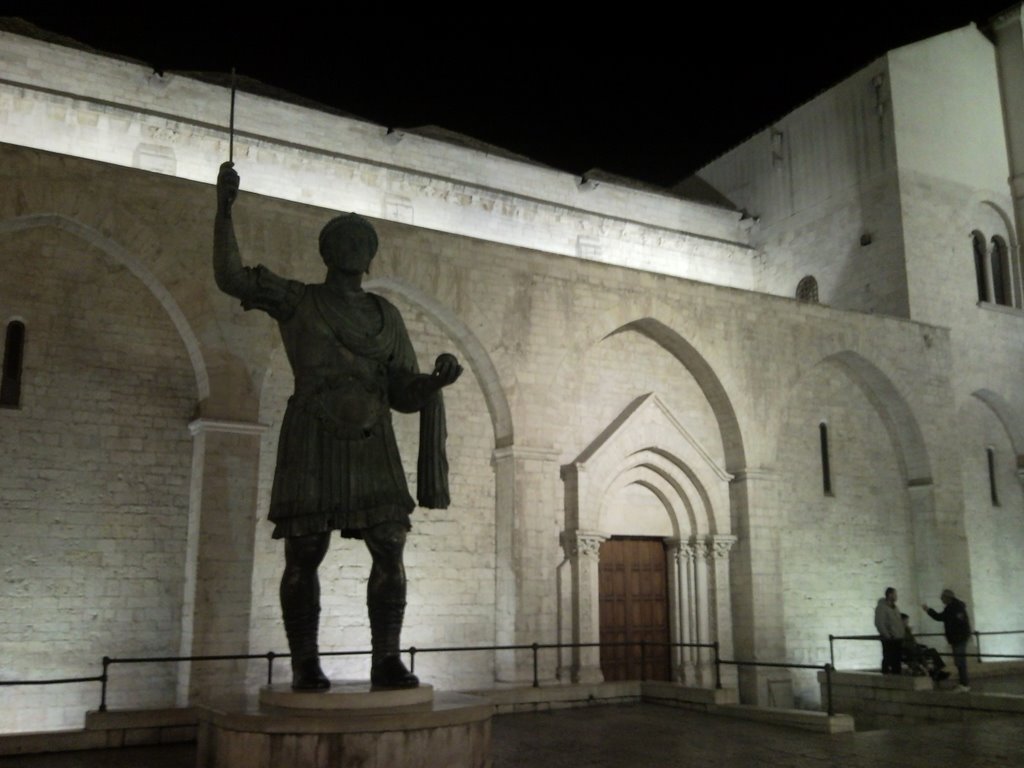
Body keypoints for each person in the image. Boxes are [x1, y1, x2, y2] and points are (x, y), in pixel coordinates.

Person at [213, 161, 463, 691]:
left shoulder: (385, 316)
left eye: (361, 241)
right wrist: (224, 208)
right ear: (326, 253)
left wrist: (435, 383)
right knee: (305, 552)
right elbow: (231, 277)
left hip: (373, 437)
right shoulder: (299, 299)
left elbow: (401, 390)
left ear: (370, 256)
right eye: (343, 240)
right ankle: (305, 662)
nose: (353, 248)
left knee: (390, 544)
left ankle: (387, 659)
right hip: (314, 436)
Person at [922, 589, 972, 691]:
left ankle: (964, 684)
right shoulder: (955, 607)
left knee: (960, 661)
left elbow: (941, 617)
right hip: (959, 638)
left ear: (947, 598)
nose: (941, 599)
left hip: (958, 638)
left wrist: (928, 610)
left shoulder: (953, 608)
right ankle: (963, 683)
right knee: (959, 661)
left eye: (942, 598)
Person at [900, 612, 949, 682]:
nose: (907, 622)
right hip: (909, 651)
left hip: (915, 648)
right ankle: (932, 671)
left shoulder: (907, 630)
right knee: (920, 654)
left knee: (932, 651)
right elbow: (904, 643)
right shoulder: (900, 631)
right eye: (906, 621)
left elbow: (913, 641)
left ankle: (938, 669)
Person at [874, 587, 903, 675]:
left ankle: (897, 678)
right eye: (895, 594)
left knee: (897, 660)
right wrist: (887, 635)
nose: (896, 596)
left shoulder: (895, 608)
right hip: (889, 638)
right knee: (888, 658)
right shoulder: (882, 608)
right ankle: (886, 676)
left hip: (897, 637)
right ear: (890, 595)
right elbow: (879, 623)